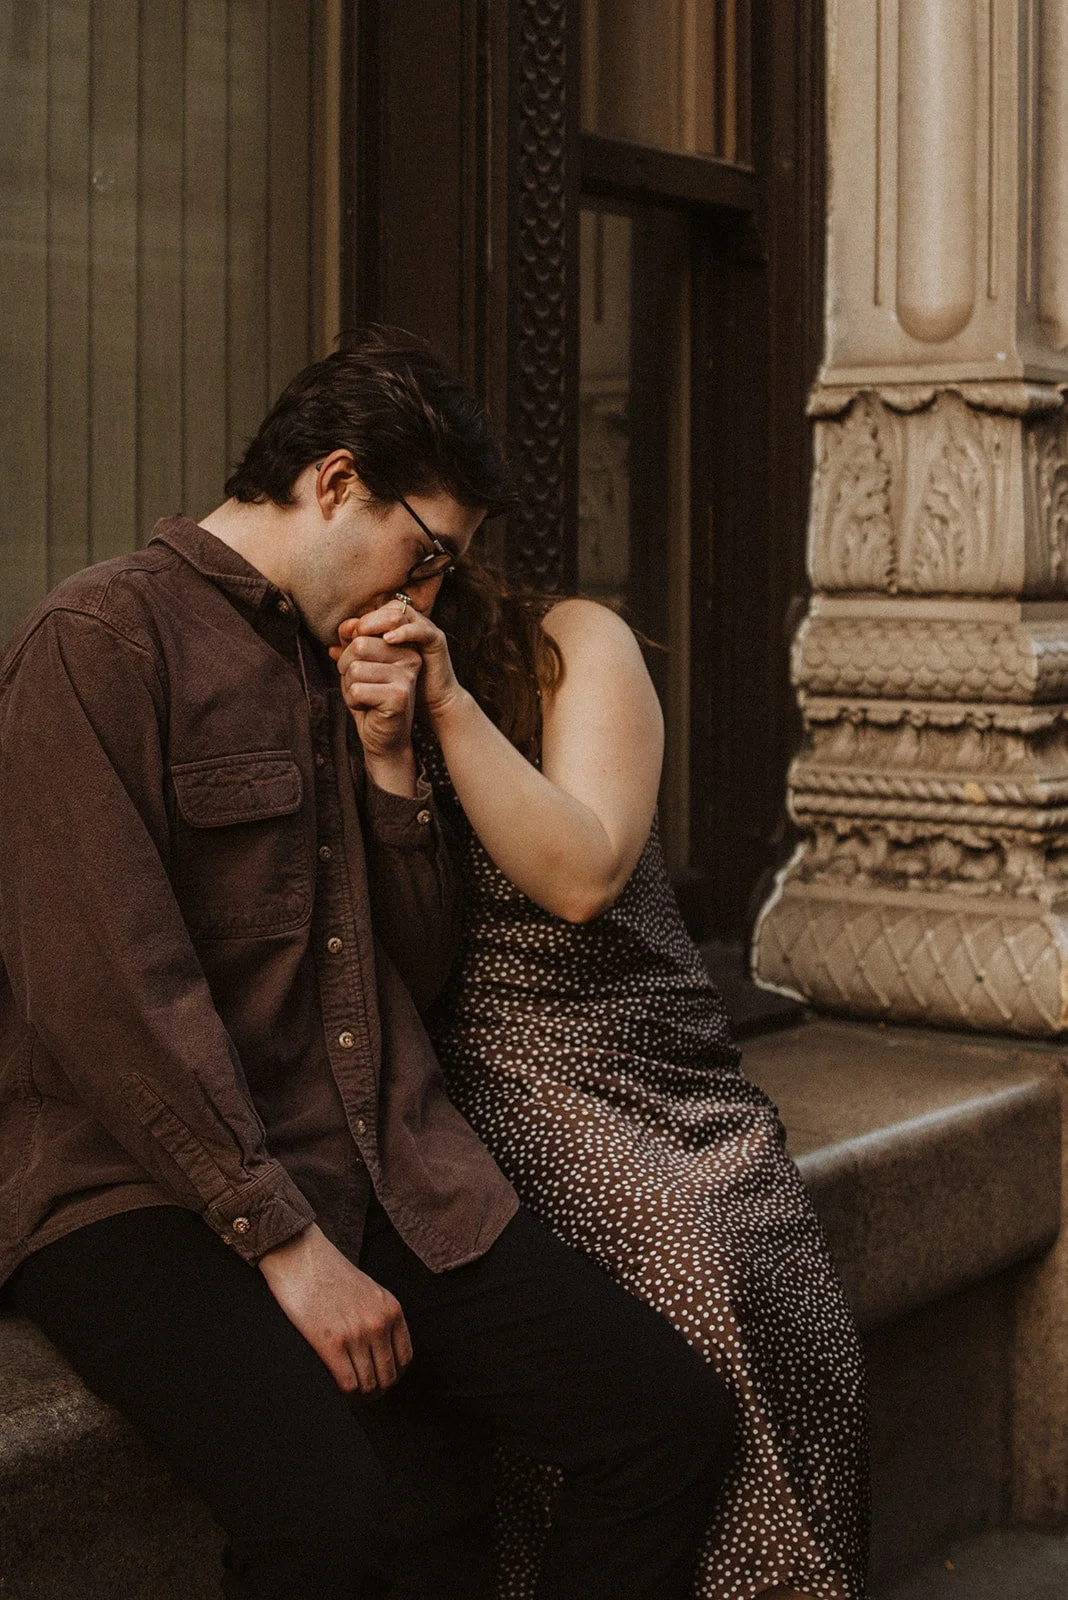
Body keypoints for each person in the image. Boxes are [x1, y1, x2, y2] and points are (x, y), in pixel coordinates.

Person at [0, 331, 738, 1600]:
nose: (430, 592)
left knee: (666, 1421)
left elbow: (422, 967)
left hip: (379, 1162)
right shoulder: (100, 640)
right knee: (334, 1518)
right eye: (429, 550)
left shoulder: (343, 659)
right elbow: (112, 998)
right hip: (134, 1191)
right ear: (337, 482)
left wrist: (394, 767)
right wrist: (284, 1244)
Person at [332, 547, 871, 1599]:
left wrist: (445, 703)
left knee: (793, 1298)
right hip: (501, 1071)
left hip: (653, 1040)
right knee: (695, 1275)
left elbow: (584, 875)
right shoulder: (315, 690)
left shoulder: (574, 642)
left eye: (420, 552)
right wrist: (384, 754)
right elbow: (392, 961)